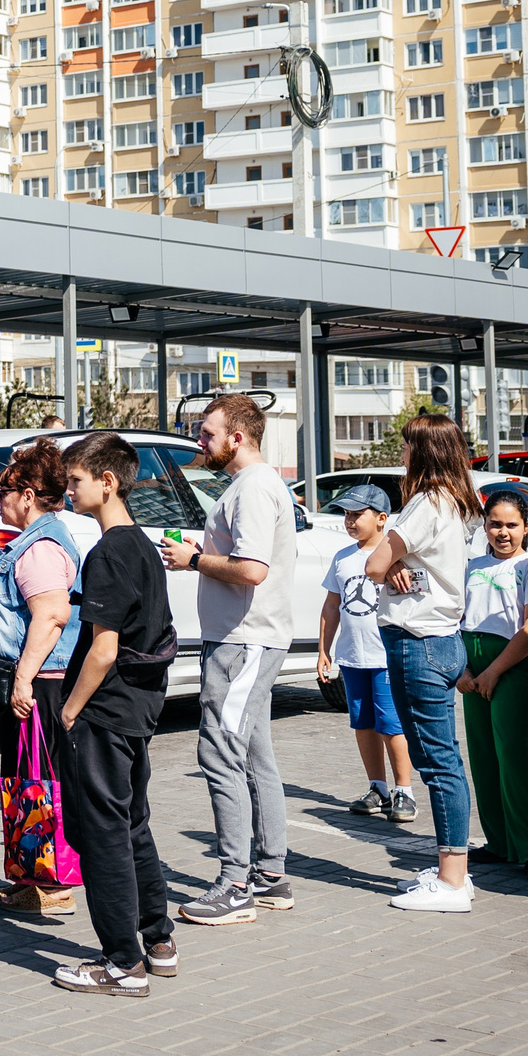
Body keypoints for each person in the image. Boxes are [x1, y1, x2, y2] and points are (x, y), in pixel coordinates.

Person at [49, 432, 181, 996]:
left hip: (104, 709)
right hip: (139, 705)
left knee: (101, 831)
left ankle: (121, 963)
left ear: (107, 481)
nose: (68, 489)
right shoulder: (143, 546)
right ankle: (157, 940)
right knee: (132, 823)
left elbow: (103, 649)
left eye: (76, 479)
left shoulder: (107, 553)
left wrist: (70, 712)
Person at [163, 392, 298, 926]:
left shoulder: (256, 486)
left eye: (208, 433)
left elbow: (252, 569)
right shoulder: (249, 486)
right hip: (243, 639)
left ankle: (235, 882)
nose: (201, 440)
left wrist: (195, 558)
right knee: (254, 755)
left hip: (245, 641)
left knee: (219, 753)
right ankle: (269, 873)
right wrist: (201, 554)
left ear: (237, 437)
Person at [361, 413, 479, 913]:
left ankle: (453, 880)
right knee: (442, 757)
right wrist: (398, 571)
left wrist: (389, 569)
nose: (403, 454)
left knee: (438, 763)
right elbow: (399, 566)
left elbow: (372, 563)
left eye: (409, 446)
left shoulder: (424, 504)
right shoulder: (456, 502)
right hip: (440, 638)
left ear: (425, 453)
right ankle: (452, 867)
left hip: (417, 641)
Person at [0, 437, 86, 919]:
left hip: (44, 680)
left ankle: (54, 881)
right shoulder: (35, 539)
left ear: (29, 494)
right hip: (38, 676)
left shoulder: (41, 545)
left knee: (41, 781)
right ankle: (30, 876)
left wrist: (23, 678)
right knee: (23, 781)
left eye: (5, 491)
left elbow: (52, 614)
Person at [461, 488, 528, 883]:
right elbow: (455, 619)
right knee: (483, 758)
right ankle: (499, 843)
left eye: (511, 525)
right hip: (470, 668)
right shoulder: (470, 565)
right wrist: (463, 672)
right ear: (484, 526)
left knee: (514, 756)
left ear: (526, 527)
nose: (503, 532)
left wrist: (494, 671)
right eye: (495, 524)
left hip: (512, 666)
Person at [317, 487, 419, 826]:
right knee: (363, 723)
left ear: (381, 518)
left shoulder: (395, 556)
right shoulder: (342, 558)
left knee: (391, 725)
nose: (349, 521)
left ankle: (405, 790)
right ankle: (378, 788)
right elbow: (332, 605)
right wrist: (323, 650)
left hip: (385, 656)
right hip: (352, 657)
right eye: (345, 514)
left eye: (356, 514)